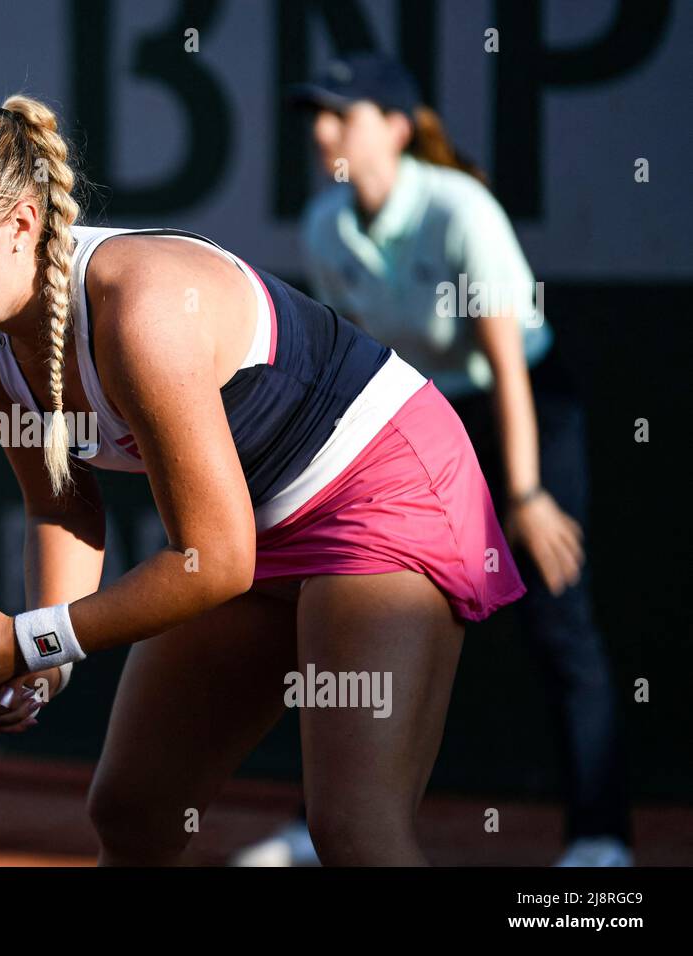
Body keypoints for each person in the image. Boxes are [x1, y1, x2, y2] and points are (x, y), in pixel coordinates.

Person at [0, 94, 525, 866]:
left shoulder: (141, 310)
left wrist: (28, 640)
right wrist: (46, 667)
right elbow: (60, 499)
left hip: (383, 488)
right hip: (256, 528)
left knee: (354, 833)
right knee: (133, 809)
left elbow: (216, 561)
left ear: (22, 224)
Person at [235, 54, 630, 868]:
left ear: (397, 129)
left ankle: (599, 840)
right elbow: (348, 366)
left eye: (341, 114)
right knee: (355, 613)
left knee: (561, 621)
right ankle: (325, 826)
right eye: (317, 114)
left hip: (516, 406)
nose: (321, 131)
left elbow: (507, 364)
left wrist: (523, 494)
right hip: (411, 414)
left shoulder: (461, 211)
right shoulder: (324, 225)